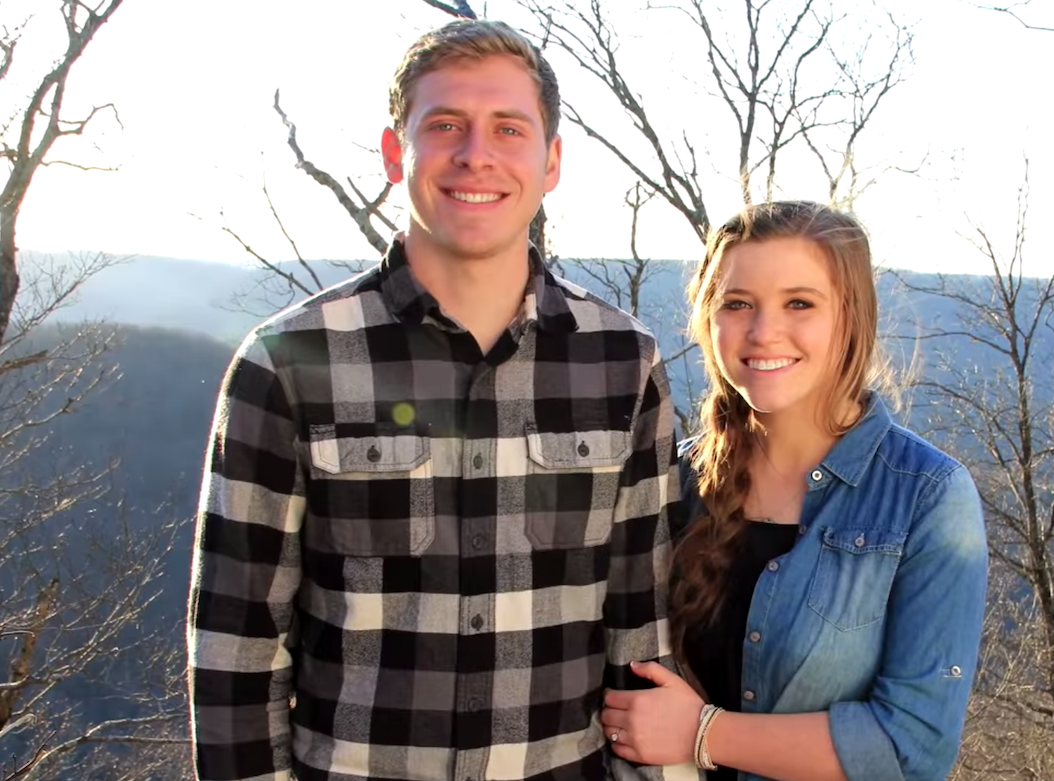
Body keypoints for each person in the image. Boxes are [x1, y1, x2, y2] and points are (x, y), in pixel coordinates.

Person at [188, 19, 692, 781]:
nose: (475, 154)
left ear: (551, 161)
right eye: (446, 124)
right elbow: (237, 647)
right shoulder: (287, 361)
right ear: (397, 153)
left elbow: (639, 636)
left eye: (508, 128)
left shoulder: (622, 361)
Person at [598, 201, 988, 781]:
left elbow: (912, 746)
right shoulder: (673, 483)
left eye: (799, 303)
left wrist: (704, 734)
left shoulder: (927, 497)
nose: (762, 331)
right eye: (737, 304)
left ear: (851, 318)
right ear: (708, 320)